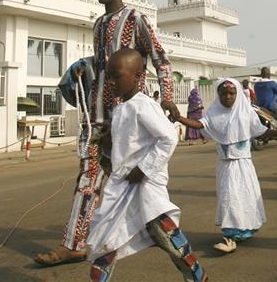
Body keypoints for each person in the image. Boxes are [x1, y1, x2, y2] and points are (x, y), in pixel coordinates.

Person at [34, 0, 179, 267]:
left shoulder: (135, 19)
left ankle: (161, 234)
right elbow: (104, 64)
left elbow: (160, 59)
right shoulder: (98, 24)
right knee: (88, 177)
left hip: (127, 116)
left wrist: (166, 97)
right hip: (97, 114)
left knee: (138, 181)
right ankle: (74, 243)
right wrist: (84, 66)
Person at [86, 49, 206, 282]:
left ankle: (198, 277)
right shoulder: (121, 108)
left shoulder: (144, 105)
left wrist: (144, 169)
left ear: (137, 76)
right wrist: (106, 143)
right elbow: (125, 148)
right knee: (105, 241)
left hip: (146, 188)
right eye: (109, 76)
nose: (111, 82)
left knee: (170, 240)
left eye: (116, 76)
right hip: (122, 188)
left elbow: (168, 138)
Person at [173, 78, 277, 254]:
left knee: (245, 198)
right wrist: (179, 118)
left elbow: (260, 130)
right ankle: (230, 236)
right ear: (218, 94)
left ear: (237, 94)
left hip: (244, 165)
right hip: (226, 166)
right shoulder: (214, 113)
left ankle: (242, 231)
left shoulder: (246, 112)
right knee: (229, 199)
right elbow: (200, 124)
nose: (228, 97)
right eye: (224, 93)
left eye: (231, 93)